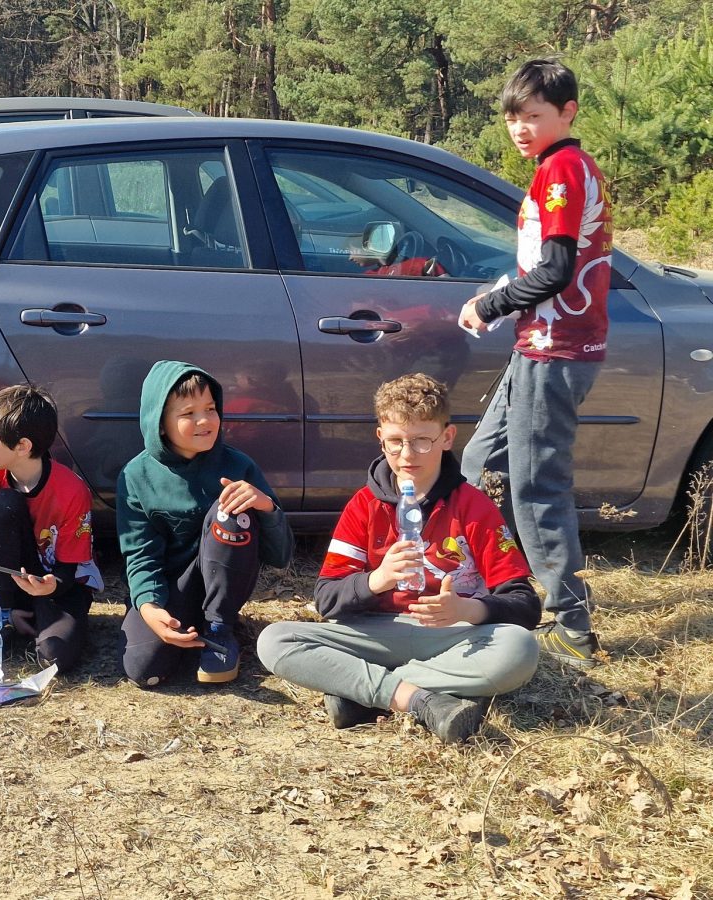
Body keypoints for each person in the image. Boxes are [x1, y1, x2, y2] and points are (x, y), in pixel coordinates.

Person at [257, 374, 540, 744]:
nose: (407, 455)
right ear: (380, 439)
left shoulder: (474, 506)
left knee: (520, 649)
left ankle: (362, 695)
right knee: (275, 640)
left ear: (447, 438)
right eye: (396, 442)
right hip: (376, 631)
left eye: (422, 440)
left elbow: (525, 604)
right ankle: (416, 697)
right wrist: (378, 579)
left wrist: (467, 611)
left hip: (450, 637)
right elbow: (326, 599)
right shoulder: (363, 505)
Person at [459, 59, 612, 668]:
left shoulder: (563, 171)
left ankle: (570, 623)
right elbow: (543, 269)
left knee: (536, 486)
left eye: (533, 116)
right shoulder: (556, 168)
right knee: (478, 462)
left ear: (567, 113)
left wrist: (489, 304)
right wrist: (505, 300)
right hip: (537, 344)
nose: (519, 127)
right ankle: (494, 577)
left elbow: (556, 269)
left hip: (557, 350)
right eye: (513, 117)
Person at [118, 360, 294, 687]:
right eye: (188, 414)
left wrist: (265, 506)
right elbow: (140, 554)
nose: (204, 421)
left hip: (224, 580)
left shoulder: (238, 465)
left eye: (211, 408)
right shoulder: (135, 475)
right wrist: (149, 607)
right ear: (159, 422)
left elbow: (280, 555)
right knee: (146, 671)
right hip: (172, 590)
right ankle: (190, 621)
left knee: (230, 510)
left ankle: (220, 628)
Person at [0, 384, 103, 673]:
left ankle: (41, 620)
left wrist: (51, 588)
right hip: (9, 586)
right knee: (4, 502)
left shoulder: (71, 490)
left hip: (61, 584)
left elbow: (69, 569)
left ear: (22, 446)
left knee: (56, 659)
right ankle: (1, 619)